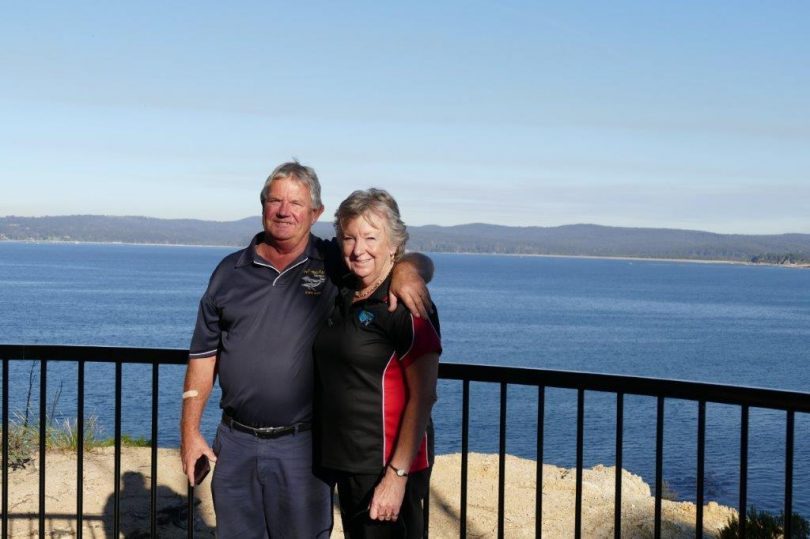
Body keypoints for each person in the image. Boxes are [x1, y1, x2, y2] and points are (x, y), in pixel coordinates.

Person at [180, 162, 433, 538]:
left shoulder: (332, 261)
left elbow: (388, 254)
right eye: (275, 200)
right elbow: (203, 356)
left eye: (296, 203)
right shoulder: (228, 272)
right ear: (262, 205)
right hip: (235, 442)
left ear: (315, 213)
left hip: (303, 447)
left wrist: (408, 270)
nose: (284, 210)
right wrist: (190, 433)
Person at [314, 188, 441, 538]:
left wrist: (396, 477)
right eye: (349, 237)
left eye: (371, 237)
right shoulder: (345, 291)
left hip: (385, 462)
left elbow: (424, 396)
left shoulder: (405, 304)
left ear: (393, 245)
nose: (359, 249)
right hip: (348, 460)